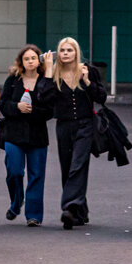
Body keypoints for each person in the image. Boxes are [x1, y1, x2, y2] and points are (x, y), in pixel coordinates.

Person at [42, 37, 105, 229]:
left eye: (70, 50)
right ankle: (79, 212)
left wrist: (86, 81)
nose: (66, 53)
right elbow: (44, 98)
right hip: (63, 125)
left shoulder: (88, 71)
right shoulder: (54, 74)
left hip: (85, 125)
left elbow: (101, 97)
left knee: (78, 164)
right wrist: (47, 72)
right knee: (67, 167)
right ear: (58, 53)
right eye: (62, 50)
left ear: (76, 52)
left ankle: (69, 207)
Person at [0, 44, 53, 227]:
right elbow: (3, 105)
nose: (30, 61)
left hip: (37, 136)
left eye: (33, 58)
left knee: (36, 175)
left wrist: (32, 111)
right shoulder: (13, 80)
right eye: (26, 58)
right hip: (13, 134)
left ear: (39, 61)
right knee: (14, 171)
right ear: (21, 62)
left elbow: (50, 110)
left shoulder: (45, 81)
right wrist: (17, 107)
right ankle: (16, 202)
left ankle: (34, 215)